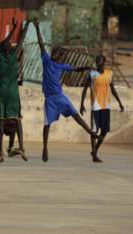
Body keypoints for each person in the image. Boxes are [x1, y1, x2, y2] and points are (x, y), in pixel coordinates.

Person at [33, 17, 99, 162]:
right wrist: (37, 28)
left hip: (60, 96)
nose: (58, 55)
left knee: (75, 115)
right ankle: (45, 148)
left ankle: (91, 133)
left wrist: (87, 68)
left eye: (60, 54)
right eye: (57, 53)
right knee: (47, 124)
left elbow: (75, 69)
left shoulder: (61, 66)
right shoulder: (46, 61)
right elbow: (41, 44)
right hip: (50, 98)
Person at [0, 18, 29, 163]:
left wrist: (14, 28)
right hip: (13, 93)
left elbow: (4, 43)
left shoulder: (0, 56)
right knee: (17, 120)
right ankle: (21, 146)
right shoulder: (14, 56)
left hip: (2, 92)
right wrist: (26, 25)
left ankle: (0, 151)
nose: (11, 43)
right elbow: (21, 40)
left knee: (1, 121)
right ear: (10, 48)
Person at [80, 55, 124, 162]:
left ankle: (95, 151)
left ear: (104, 62)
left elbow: (112, 89)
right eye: (97, 60)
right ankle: (94, 155)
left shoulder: (109, 74)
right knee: (94, 131)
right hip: (95, 106)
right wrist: (81, 104)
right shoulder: (92, 74)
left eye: (100, 60)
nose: (98, 62)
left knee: (104, 131)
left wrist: (119, 102)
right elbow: (85, 89)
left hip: (106, 106)